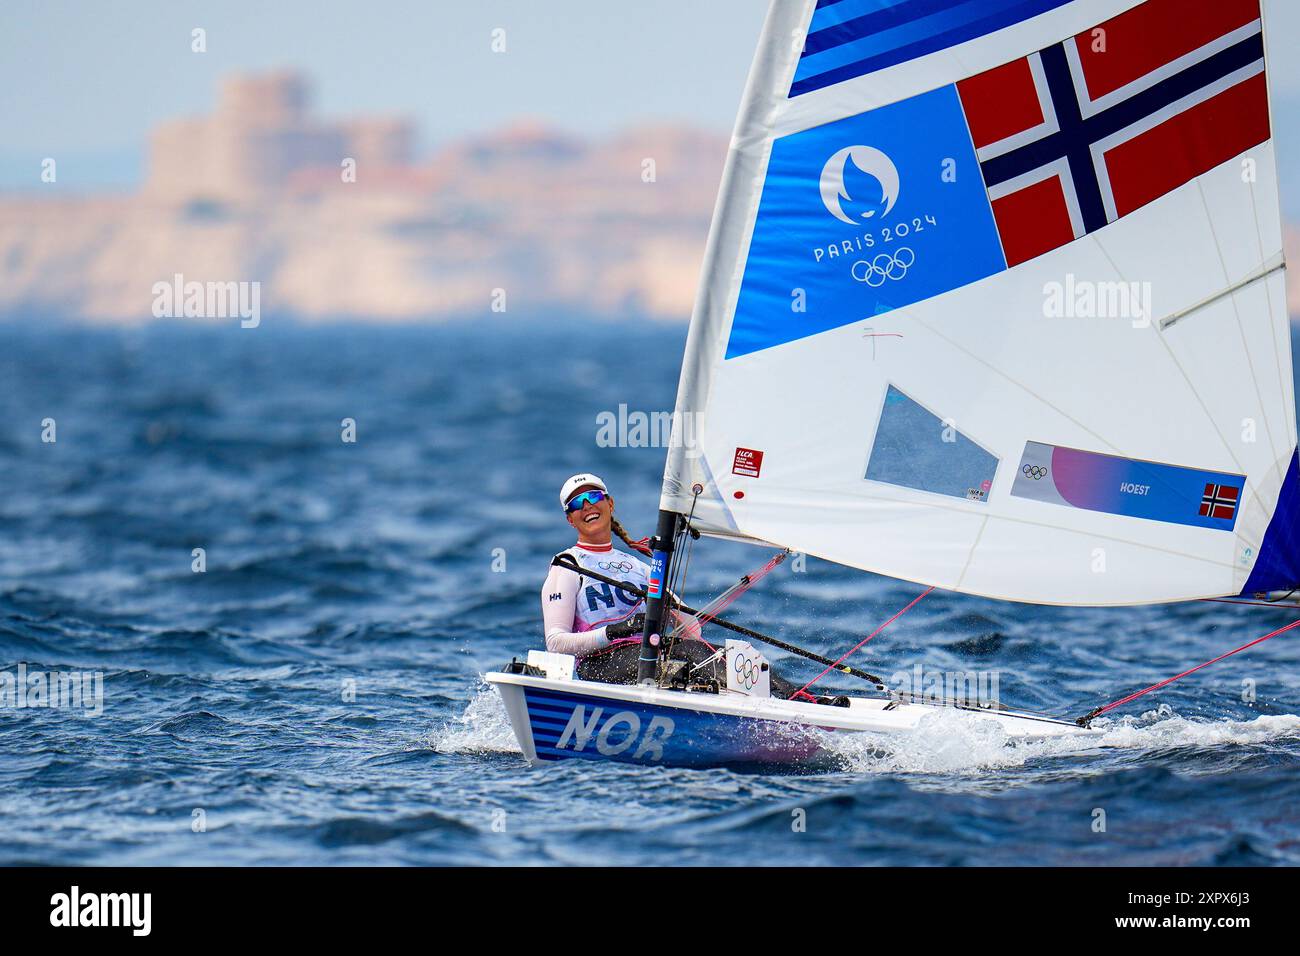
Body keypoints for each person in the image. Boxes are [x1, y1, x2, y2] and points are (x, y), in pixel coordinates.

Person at [540, 473, 815, 699]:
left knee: (734, 656)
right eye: (577, 504)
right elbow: (555, 643)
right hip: (601, 665)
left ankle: (802, 699)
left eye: (594, 497)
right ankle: (780, 700)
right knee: (688, 657)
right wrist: (613, 632)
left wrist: (672, 611)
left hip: (651, 654)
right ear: (570, 518)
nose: (587, 505)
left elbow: (692, 631)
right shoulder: (566, 566)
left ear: (610, 504)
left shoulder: (641, 569)